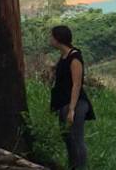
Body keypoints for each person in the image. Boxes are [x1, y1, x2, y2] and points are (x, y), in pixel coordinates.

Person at [49, 26, 96, 170]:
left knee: (77, 139)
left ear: (58, 39)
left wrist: (72, 110)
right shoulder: (63, 56)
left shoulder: (74, 57)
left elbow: (76, 85)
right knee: (67, 139)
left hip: (76, 104)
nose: (50, 40)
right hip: (63, 103)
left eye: (51, 37)